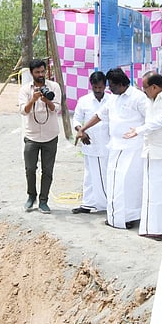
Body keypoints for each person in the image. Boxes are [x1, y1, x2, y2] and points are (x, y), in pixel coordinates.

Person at [79, 67, 147, 229]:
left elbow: (150, 119)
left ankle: (130, 217)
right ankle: (116, 216)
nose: (109, 88)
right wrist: (83, 129)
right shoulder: (113, 99)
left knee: (129, 183)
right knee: (114, 183)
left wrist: (139, 132)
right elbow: (99, 116)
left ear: (121, 84)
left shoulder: (138, 97)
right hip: (116, 148)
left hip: (133, 149)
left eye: (111, 85)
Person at [124, 72, 162, 239]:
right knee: (152, 193)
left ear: (155, 87)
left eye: (145, 88)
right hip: (151, 152)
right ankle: (153, 227)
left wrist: (139, 130)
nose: (144, 92)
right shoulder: (150, 100)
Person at [17, 58, 62, 214]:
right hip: (32, 135)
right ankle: (31, 196)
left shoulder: (54, 87)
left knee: (47, 170)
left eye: (43, 71)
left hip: (50, 135)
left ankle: (44, 201)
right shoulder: (25, 90)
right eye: (37, 72)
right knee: (30, 169)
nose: (41, 74)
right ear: (32, 73)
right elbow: (24, 111)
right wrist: (33, 99)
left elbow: (56, 108)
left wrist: (46, 100)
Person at [71, 71, 109, 214]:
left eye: (100, 87)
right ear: (91, 86)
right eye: (95, 88)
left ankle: (106, 204)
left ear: (105, 86)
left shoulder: (111, 100)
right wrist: (81, 130)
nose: (98, 91)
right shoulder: (84, 100)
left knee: (106, 175)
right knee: (89, 175)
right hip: (90, 144)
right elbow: (76, 119)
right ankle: (88, 204)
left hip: (107, 145)